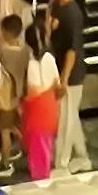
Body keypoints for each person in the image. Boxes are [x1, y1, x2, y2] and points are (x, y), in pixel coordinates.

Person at [20, 26, 64, 186]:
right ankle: (44, 176)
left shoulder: (32, 63)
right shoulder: (49, 59)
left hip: (36, 109)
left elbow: (33, 91)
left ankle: (39, 180)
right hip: (50, 106)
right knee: (46, 144)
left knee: (37, 146)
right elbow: (57, 84)